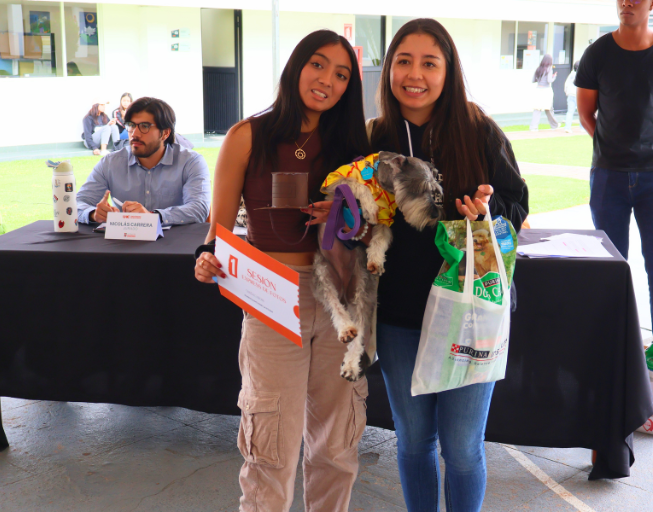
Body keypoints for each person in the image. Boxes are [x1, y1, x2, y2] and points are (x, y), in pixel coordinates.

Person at [193, 30, 370, 511]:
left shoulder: (357, 146)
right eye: (318, 65)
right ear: (296, 67)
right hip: (272, 301)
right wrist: (207, 259)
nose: (327, 81)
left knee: (337, 446)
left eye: (341, 75)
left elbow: (378, 223)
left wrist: (347, 213)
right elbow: (218, 232)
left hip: (342, 302)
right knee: (269, 446)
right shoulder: (247, 135)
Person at [366, 18, 528, 512]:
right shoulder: (374, 136)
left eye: (429, 63)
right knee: (414, 442)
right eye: (404, 61)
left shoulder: (477, 129)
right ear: (389, 69)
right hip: (398, 316)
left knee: (461, 448)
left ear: (448, 71)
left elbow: (517, 207)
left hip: (470, 312)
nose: (415, 74)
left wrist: (489, 211)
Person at [575, 0, 653, 335]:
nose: (627, 2)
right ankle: (614, 346)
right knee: (611, 268)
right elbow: (586, 113)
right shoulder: (597, 53)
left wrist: (649, 146)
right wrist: (612, 147)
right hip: (607, 177)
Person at [77, 96, 210, 226]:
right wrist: (93, 214)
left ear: (165, 133)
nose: (134, 133)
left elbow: (199, 209)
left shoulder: (191, 162)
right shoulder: (111, 163)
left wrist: (153, 217)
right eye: (131, 125)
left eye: (144, 126)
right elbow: (76, 204)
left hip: (175, 245)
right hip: (125, 244)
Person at [529, 54, 560, 131]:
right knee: (549, 109)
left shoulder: (538, 69)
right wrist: (554, 77)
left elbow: (533, 80)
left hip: (538, 90)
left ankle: (533, 127)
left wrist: (540, 79)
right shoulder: (549, 69)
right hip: (546, 91)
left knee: (537, 109)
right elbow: (549, 80)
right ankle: (554, 125)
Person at [563, 60, 582, 133]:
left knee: (570, 112)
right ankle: (582, 128)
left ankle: (567, 128)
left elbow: (566, 84)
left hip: (571, 95)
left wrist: (567, 92)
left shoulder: (571, 74)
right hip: (579, 96)